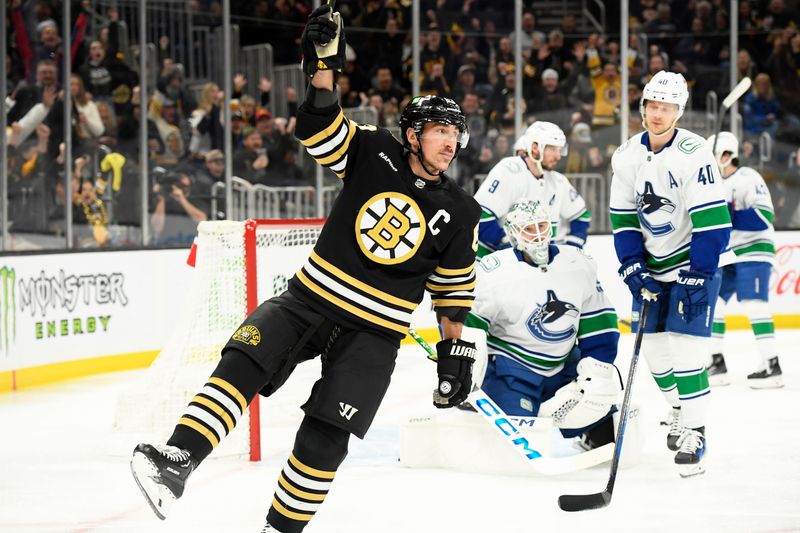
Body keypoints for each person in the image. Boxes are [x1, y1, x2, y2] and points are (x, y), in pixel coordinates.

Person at [130, 5, 481, 533]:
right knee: (243, 357)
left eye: (456, 133)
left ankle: (280, 530)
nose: (450, 142)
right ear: (412, 135)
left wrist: (453, 356)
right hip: (308, 299)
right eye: (439, 130)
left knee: (327, 432)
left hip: (376, 332)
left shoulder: (460, 210)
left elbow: (452, 294)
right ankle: (177, 461)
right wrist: (322, 66)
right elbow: (320, 126)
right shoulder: (372, 151)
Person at [609, 70, 732, 478]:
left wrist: (699, 271)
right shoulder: (626, 154)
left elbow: (713, 220)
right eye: (652, 105)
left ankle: (696, 432)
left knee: (686, 353)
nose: (657, 114)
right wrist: (632, 266)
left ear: (678, 112)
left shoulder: (695, 152)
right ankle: (680, 409)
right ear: (643, 107)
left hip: (691, 266)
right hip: (651, 268)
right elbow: (624, 217)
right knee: (657, 358)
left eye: (666, 107)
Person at [468, 199, 622, 450]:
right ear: (514, 233)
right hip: (512, 371)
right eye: (529, 229)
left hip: (564, 368)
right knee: (515, 448)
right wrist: (465, 372)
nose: (538, 235)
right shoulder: (493, 272)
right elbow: (469, 326)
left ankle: (586, 432)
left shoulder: (577, 264)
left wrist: (599, 368)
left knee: (606, 438)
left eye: (542, 226)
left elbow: (598, 319)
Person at [705, 131, 783, 389]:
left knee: (754, 304)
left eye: (716, 155)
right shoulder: (714, 183)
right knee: (713, 303)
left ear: (727, 155)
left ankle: (772, 367)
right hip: (730, 254)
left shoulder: (748, 178)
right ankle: (716, 363)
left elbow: (764, 216)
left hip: (754, 250)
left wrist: (729, 214)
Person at [474, 121, 590, 258]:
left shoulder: (558, 181)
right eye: (553, 149)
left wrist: (571, 249)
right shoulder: (509, 170)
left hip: (537, 264)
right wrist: (509, 248)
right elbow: (479, 215)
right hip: (491, 261)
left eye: (560, 150)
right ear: (535, 148)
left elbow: (581, 216)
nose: (558, 156)